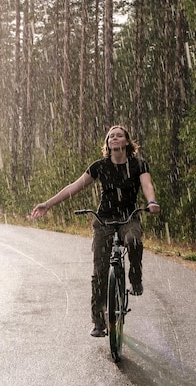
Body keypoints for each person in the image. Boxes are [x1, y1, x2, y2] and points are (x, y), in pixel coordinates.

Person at [30, 125, 160, 337]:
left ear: (127, 142)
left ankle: (135, 277)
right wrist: (48, 204)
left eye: (119, 135)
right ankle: (99, 321)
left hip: (129, 217)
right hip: (104, 220)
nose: (115, 138)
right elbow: (74, 186)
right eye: (111, 136)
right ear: (108, 144)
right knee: (100, 272)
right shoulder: (100, 166)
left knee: (134, 241)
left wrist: (152, 201)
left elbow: (147, 185)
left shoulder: (138, 165)